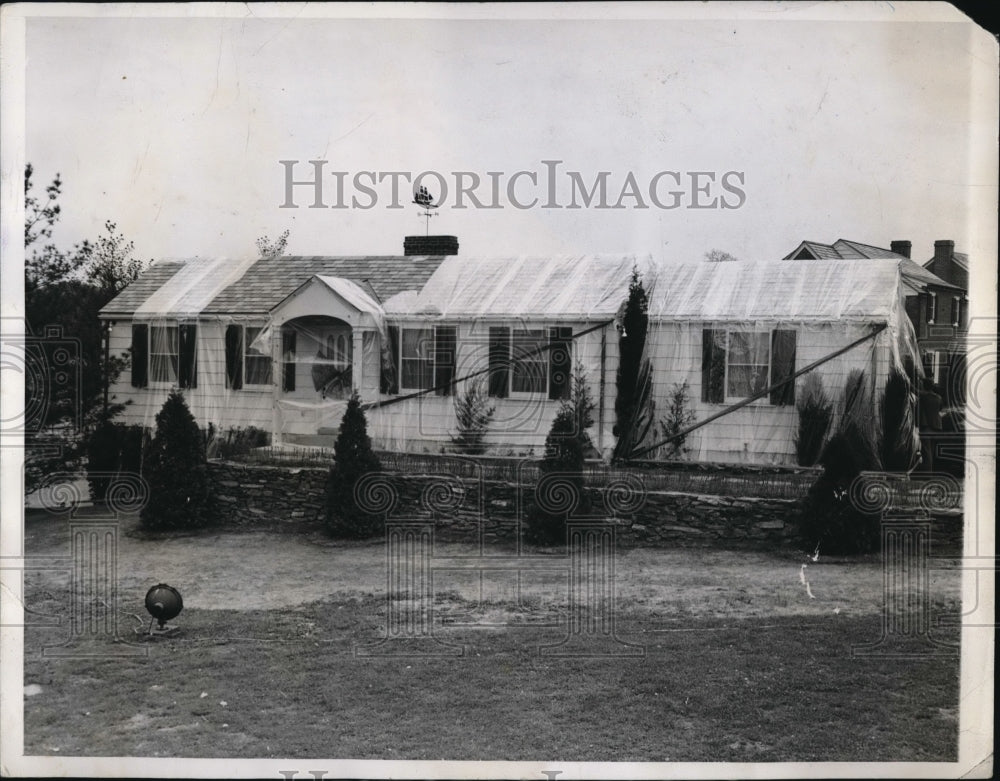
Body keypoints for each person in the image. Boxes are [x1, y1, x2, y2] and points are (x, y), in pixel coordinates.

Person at [917, 377, 943, 472]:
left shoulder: (924, 396)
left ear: (924, 386)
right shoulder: (939, 398)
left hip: (926, 428)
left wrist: (906, 379)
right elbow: (940, 409)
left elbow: (913, 389)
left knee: (926, 453)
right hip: (937, 428)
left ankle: (927, 474)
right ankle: (930, 471)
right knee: (931, 452)